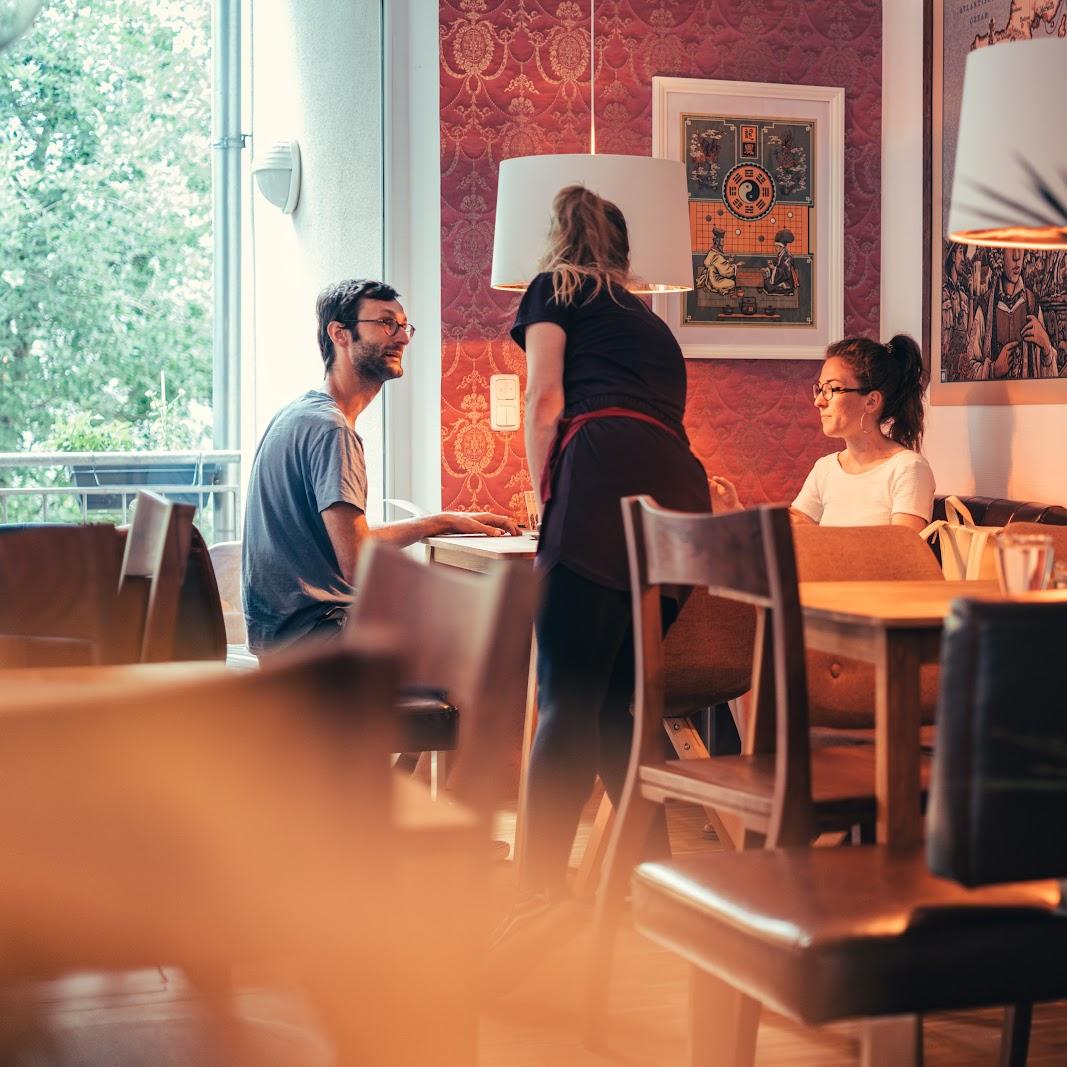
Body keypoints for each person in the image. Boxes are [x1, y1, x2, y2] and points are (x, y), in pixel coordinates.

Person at [503, 185, 711, 933]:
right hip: (678, 493)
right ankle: (645, 876)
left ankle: (534, 890)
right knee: (618, 703)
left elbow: (543, 401)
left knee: (565, 697)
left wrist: (540, 497)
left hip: (597, 478)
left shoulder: (553, 291)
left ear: (557, 239)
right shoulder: (649, 324)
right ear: (622, 250)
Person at [242, 278, 518, 655]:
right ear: (339, 334)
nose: (402, 337)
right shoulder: (331, 429)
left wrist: (438, 522)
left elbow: (349, 543)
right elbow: (358, 567)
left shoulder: (299, 415)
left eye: (404, 326)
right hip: (321, 644)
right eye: (386, 323)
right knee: (494, 635)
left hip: (284, 639)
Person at [711, 335, 935, 531]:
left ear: (871, 401)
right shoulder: (825, 469)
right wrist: (733, 512)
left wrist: (821, 541)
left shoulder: (908, 468)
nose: (818, 401)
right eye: (820, 389)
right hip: (822, 580)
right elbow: (789, 537)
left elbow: (905, 555)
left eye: (831, 390)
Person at [966, 246, 1056, 380]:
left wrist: (1046, 347)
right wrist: (994, 369)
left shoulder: (1032, 304)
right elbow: (968, 369)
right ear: (998, 254)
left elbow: (1050, 383)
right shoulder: (985, 308)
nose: (1017, 257)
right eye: (1010, 248)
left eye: (1020, 247)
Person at [696, 226, 737, 293]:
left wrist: (728, 261)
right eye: (722, 241)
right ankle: (720, 289)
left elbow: (713, 264)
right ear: (717, 242)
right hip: (715, 281)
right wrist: (735, 266)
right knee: (733, 283)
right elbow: (726, 272)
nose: (723, 244)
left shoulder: (711, 253)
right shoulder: (717, 256)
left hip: (710, 280)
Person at [760, 227, 796, 293]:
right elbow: (777, 264)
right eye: (775, 246)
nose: (775, 248)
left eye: (777, 247)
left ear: (781, 247)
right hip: (780, 279)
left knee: (768, 287)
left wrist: (774, 269)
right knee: (764, 283)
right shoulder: (781, 254)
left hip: (786, 282)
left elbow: (786, 274)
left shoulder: (787, 257)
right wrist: (768, 269)